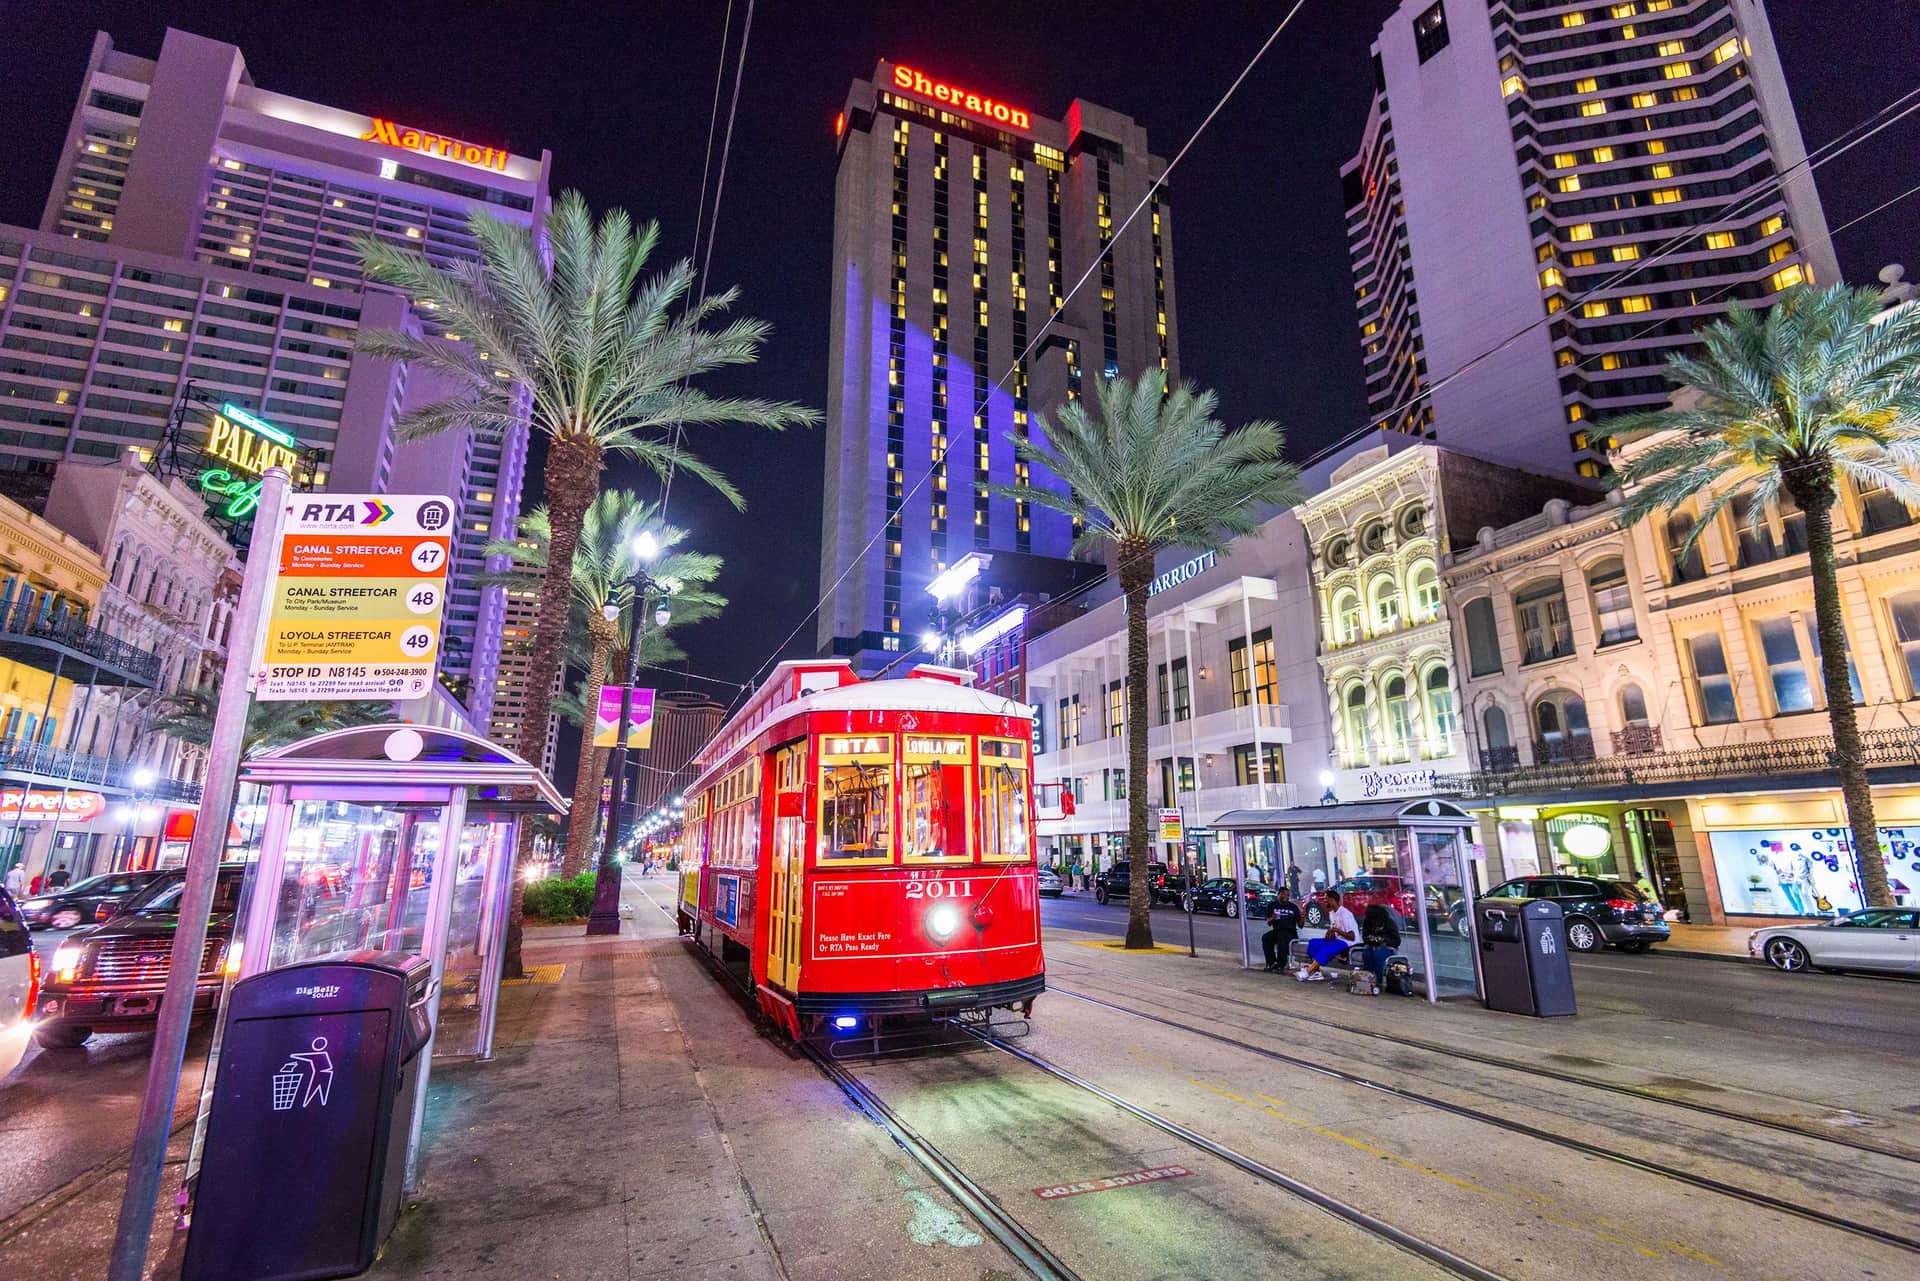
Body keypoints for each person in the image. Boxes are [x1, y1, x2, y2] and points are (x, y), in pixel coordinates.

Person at [1296, 889, 1358, 982]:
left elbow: (1352, 937)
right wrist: (1330, 934)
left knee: (1325, 949)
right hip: (1338, 940)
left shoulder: (1345, 914)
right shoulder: (1332, 913)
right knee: (1313, 943)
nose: (1324, 901)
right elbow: (1335, 932)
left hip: (1348, 942)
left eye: (1326, 899)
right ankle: (1316, 972)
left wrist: (1336, 930)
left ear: (1333, 900)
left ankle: (1307, 972)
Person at [1356, 902, 1401, 994]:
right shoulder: (1368, 922)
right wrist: (1371, 939)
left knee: (1378, 955)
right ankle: (1367, 981)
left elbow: (1396, 941)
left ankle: (1378, 981)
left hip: (1387, 947)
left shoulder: (1389, 923)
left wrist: (1383, 940)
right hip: (1372, 945)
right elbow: (1365, 936)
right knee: (1367, 954)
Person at [1262, 886, 1303, 972]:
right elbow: (1269, 923)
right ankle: (1271, 963)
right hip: (1277, 930)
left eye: (1288, 895)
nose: (1286, 897)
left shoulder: (1293, 907)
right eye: (1283, 894)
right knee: (1266, 937)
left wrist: (1302, 917)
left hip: (1290, 932)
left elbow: (1301, 925)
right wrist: (1273, 918)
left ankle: (1280, 964)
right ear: (1279, 894)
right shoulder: (1272, 905)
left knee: (1282, 936)